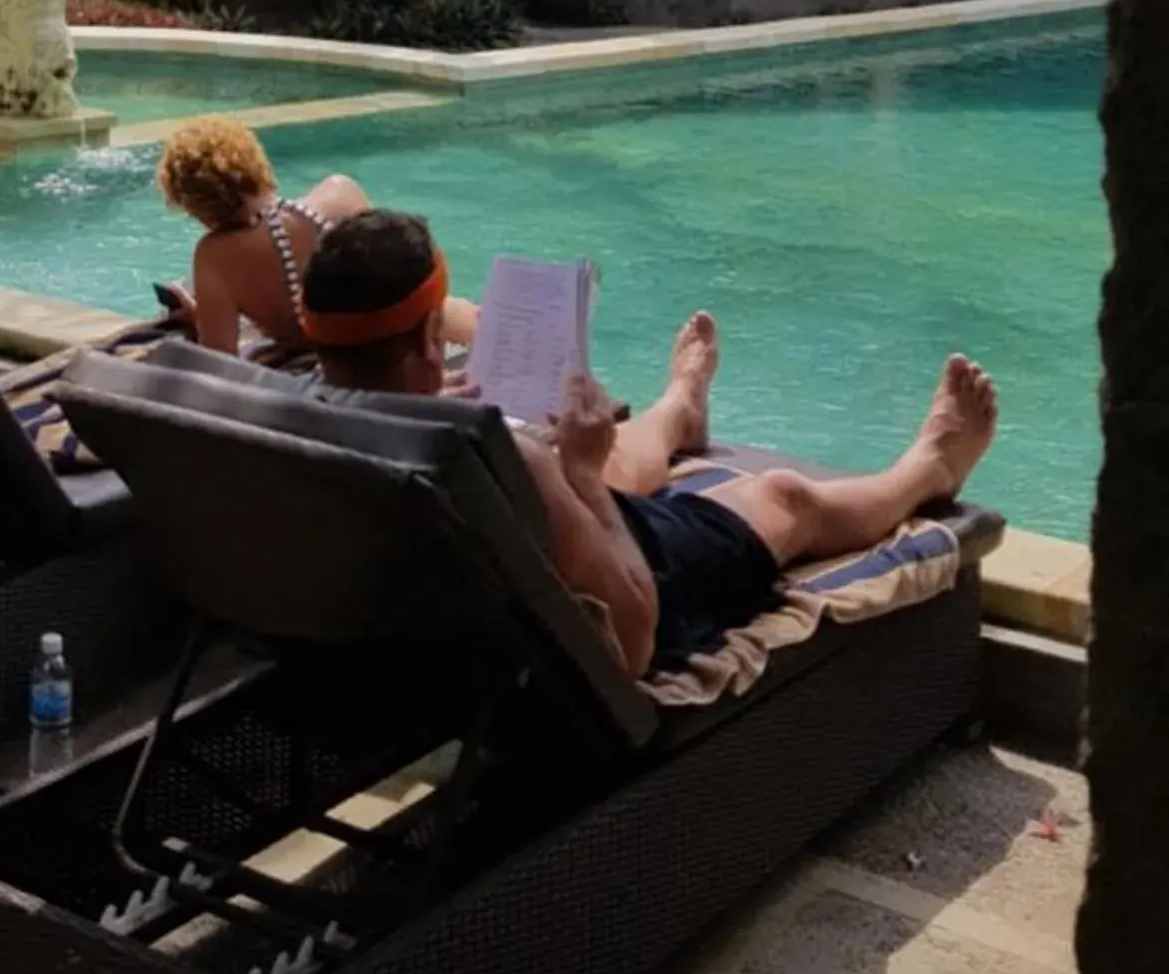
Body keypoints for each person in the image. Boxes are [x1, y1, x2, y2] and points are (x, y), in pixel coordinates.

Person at [295, 208, 998, 680]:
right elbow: (630, 637)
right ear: (427, 338)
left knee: (619, 456)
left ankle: (677, 408)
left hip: (431, 623)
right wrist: (580, 474)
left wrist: (425, 406)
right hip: (580, 611)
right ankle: (928, 468)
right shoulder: (490, 462)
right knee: (783, 498)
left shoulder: (290, 427)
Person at [154, 117, 481, 358]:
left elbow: (220, 361)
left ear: (194, 203)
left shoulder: (216, 257)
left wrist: (201, 320)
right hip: (421, 336)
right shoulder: (340, 194)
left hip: (344, 360)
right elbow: (400, 273)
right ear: (253, 161)